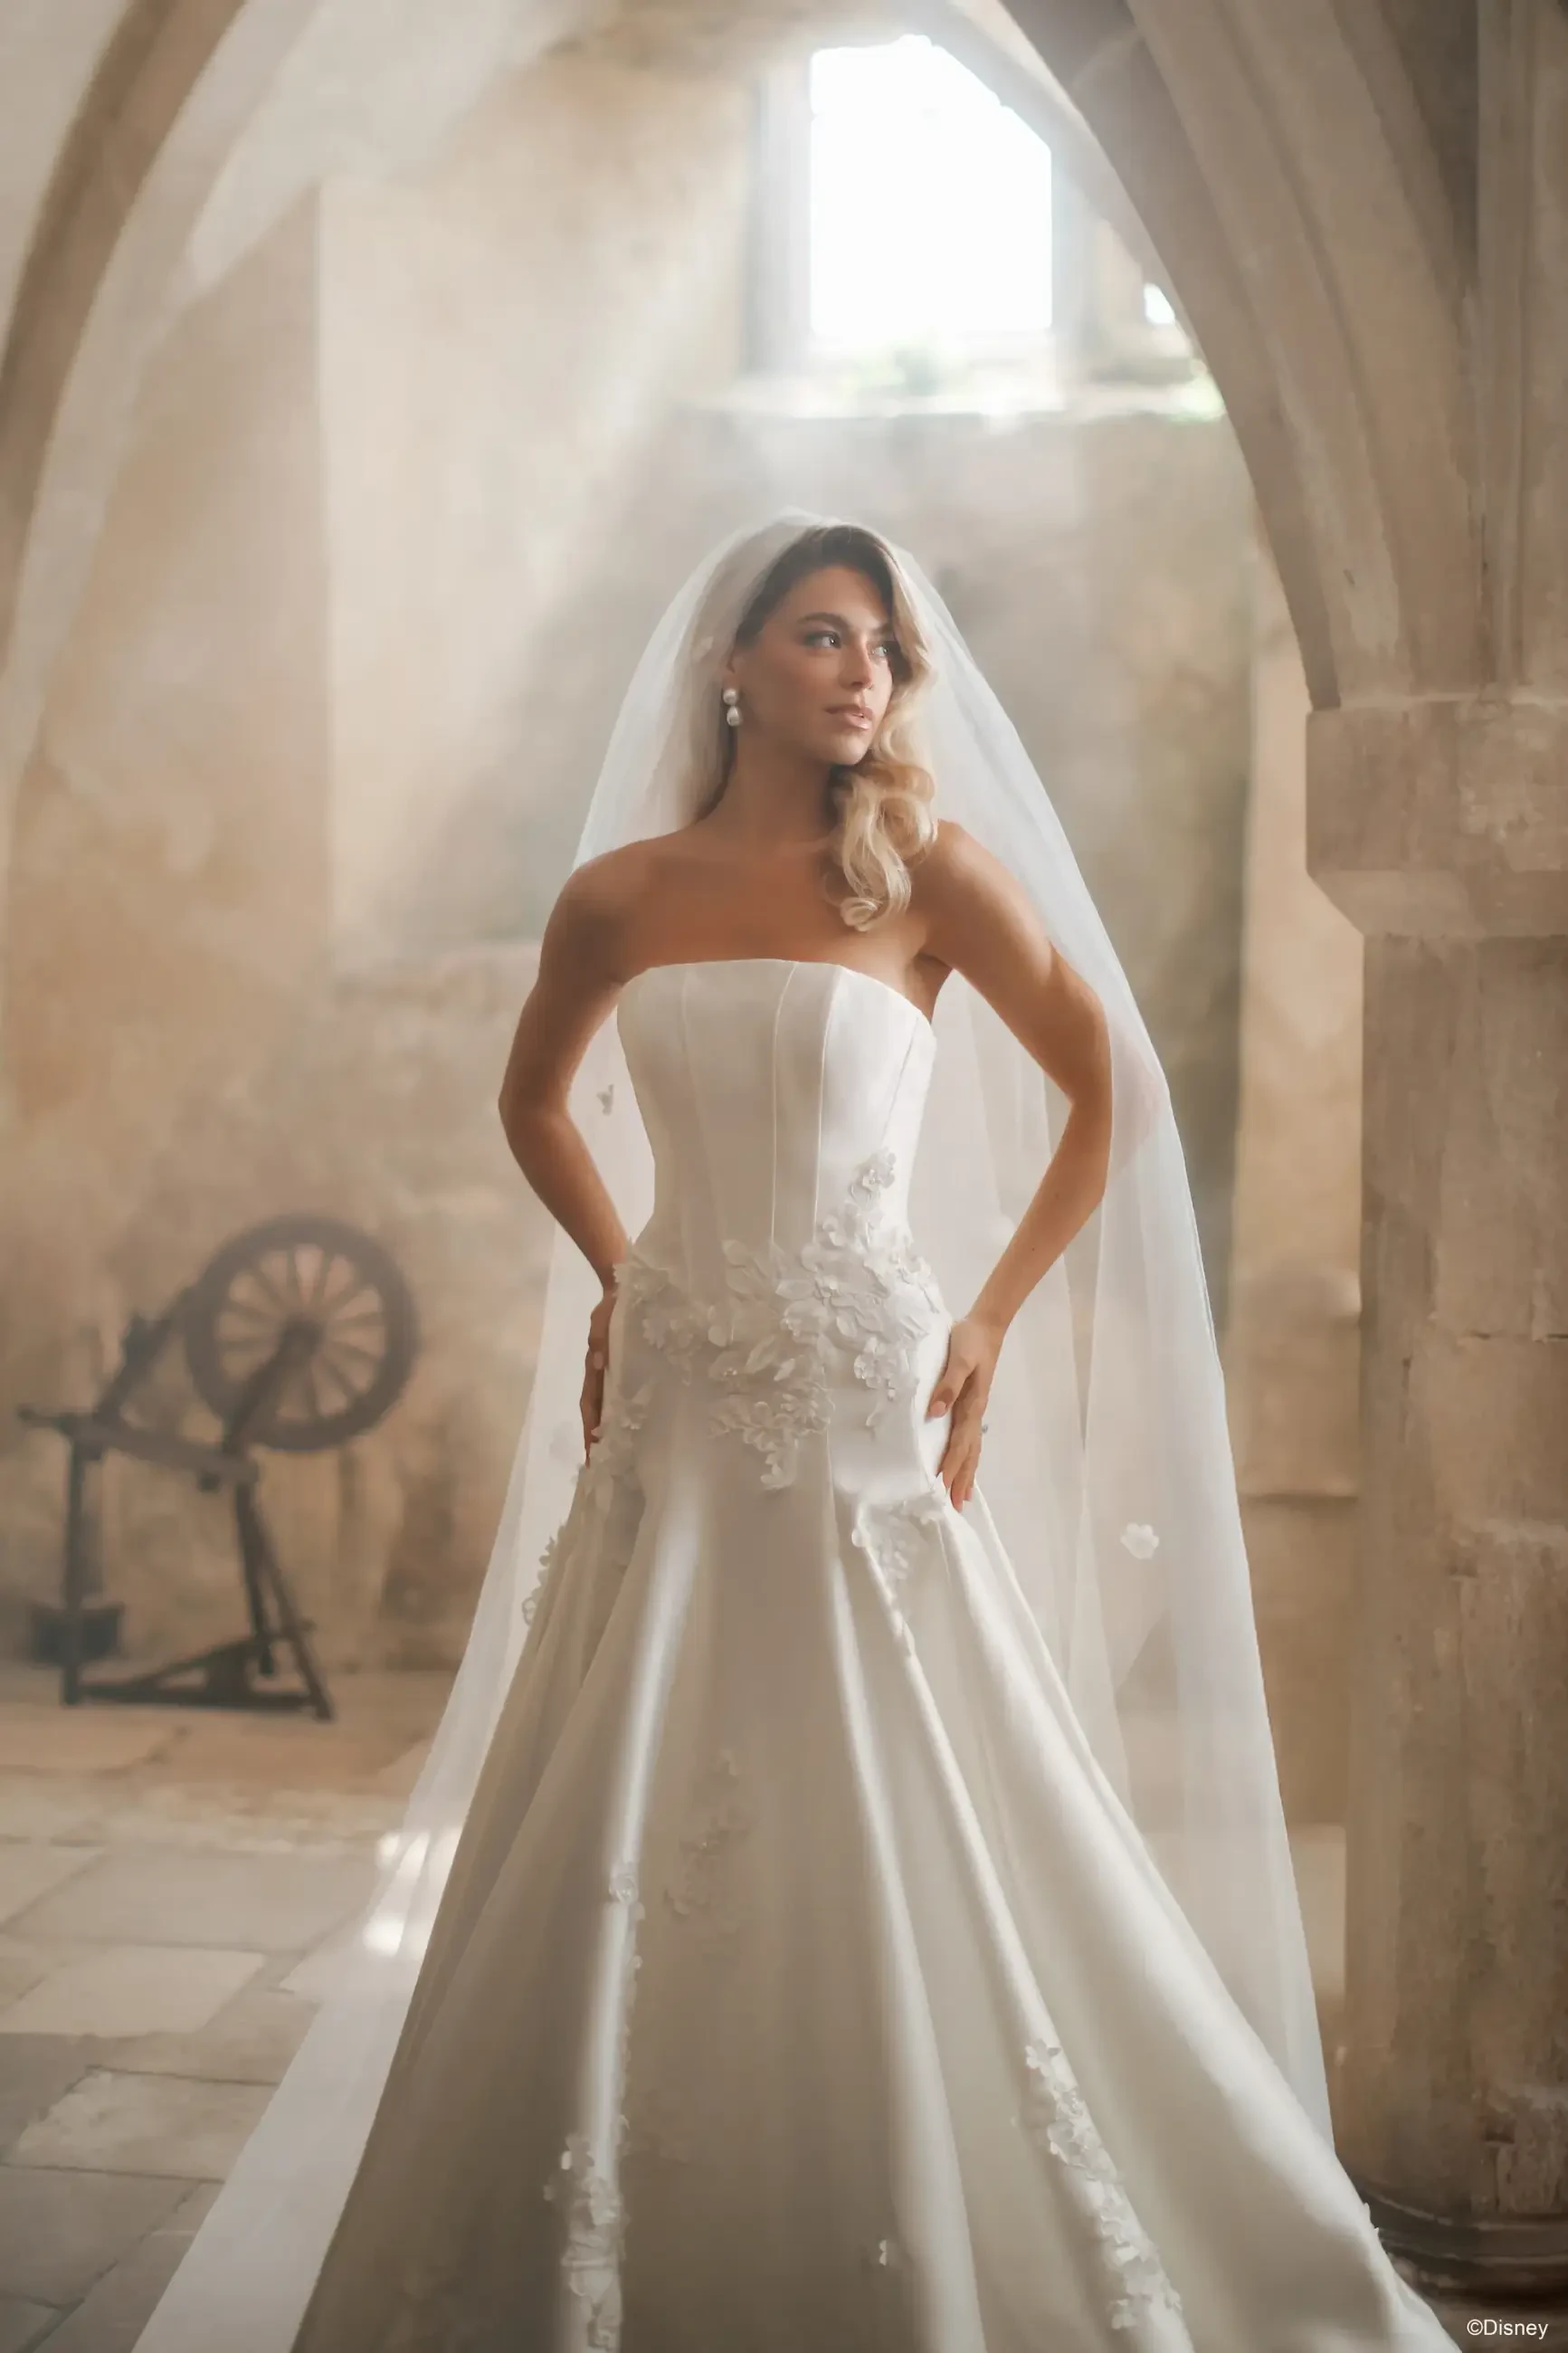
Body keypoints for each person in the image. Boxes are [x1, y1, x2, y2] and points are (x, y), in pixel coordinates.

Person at [133, 515, 1453, 2350]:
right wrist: (622, 1273)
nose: (865, 676)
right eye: (827, 638)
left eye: (887, 651)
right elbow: (533, 1101)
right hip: (676, 1384)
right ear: (731, 663)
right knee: (636, 1751)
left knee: (904, 1745)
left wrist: (987, 1310)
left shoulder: (916, 873)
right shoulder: (617, 894)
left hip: (860, 1388)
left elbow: (1110, 1089)